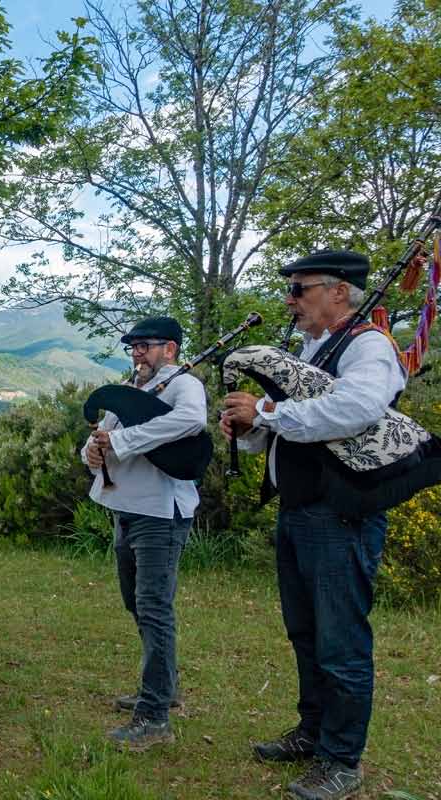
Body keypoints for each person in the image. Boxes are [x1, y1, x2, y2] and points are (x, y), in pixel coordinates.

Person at [222, 251, 401, 800]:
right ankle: (313, 733)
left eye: (299, 290)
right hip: (299, 510)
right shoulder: (307, 352)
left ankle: (342, 761)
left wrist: (269, 413)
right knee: (306, 634)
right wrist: (248, 425)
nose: (289, 300)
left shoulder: (369, 346)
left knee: (341, 641)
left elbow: (357, 409)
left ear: (338, 292)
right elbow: (272, 432)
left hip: (341, 514)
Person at [79, 316, 206, 751]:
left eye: (144, 346)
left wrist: (122, 441)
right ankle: (163, 688)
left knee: (153, 607)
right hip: (125, 509)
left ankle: (153, 716)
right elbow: (101, 440)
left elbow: (190, 421)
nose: (136, 353)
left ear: (169, 349)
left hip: (159, 513)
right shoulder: (132, 391)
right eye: (132, 347)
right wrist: (95, 449)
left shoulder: (183, 386)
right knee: (136, 601)